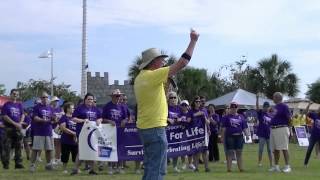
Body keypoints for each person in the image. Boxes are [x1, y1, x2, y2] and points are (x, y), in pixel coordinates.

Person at [134, 29, 199, 180]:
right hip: (155, 129)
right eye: (161, 59)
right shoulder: (153, 75)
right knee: (158, 171)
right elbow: (182, 63)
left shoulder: (140, 78)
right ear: (153, 62)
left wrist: (164, 88)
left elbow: (156, 99)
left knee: (150, 168)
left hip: (145, 127)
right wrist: (193, 41)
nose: (163, 62)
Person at [71, 93, 102, 175]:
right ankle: (75, 169)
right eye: (88, 99)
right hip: (82, 133)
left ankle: (92, 170)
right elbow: (73, 118)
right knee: (81, 151)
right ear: (85, 100)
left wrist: (99, 120)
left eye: (91, 99)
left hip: (93, 134)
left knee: (92, 150)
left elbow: (100, 117)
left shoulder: (95, 109)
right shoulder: (79, 108)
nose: (90, 101)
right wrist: (82, 120)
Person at [102, 89, 128, 174]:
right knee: (110, 148)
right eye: (117, 96)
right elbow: (102, 118)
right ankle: (110, 167)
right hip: (110, 131)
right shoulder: (107, 106)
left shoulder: (122, 106)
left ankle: (119, 167)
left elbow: (126, 117)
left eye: (119, 95)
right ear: (112, 97)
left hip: (120, 130)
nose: (119, 97)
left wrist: (125, 121)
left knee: (119, 149)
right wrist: (109, 121)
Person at [30, 92, 55, 172]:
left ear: (48, 98)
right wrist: (43, 120)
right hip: (39, 131)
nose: (45, 99)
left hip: (48, 131)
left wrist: (54, 119)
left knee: (49, 149)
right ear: (40, 98)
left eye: (46, 97)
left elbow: (52, 118)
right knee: (36, 149)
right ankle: (32, 165)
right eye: (43, 97)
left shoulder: (50, 108)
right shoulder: (37, 107)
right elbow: (35, 118)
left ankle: (48, 165)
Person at [221, 102, 250, 172]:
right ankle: (229, 169)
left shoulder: (241, 117)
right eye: (232, 108)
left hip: (239, 136)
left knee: (239, 152)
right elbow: (223, 128)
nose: (234, 109)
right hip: (230, 136)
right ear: (230, 108)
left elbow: (244, 127)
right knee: (230, 152)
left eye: (235, 108)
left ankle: (241, 168)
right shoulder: (226, 117)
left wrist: (247, 135)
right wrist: (222, 137)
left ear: (237, 108)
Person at [269, 92, 292, 173]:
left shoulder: (284, 106)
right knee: (275, 149)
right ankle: (276, 166)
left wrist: (290, 129)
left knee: (284, 148)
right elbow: (272, 117)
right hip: (273, 129)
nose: (273, 99)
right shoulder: (275, 107)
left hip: (282, 128)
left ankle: (287, 166)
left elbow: (289, 119)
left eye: (274, 97)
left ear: (278, 98)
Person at [1, 89, 24, 169]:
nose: (15, 95)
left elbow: (22, 114)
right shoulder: (6, 105)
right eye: (14, 94)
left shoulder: (19, 105)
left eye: (16, 94)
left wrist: (20, 123)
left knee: (18, 147)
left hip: (17, 129)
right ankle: (6, 164)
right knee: (6, 147)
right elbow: (4, 116)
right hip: (8, 128)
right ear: (10, 94)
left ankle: (18, 164)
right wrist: (15, 124)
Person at [190, 96, 210, 172]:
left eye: (199, 101)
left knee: (205, 151)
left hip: (203, 133)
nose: (199, 103)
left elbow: (208, 122)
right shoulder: (191, 111)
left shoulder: (204, 110)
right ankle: (196, 168)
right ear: (194, 103)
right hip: (195, 133)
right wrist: (197, 114)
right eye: (197, 101)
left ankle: (207, 167)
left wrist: (208, 128)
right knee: (196, 151)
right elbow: (189, 119)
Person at [59, 102, 78, 174]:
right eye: (72, 108)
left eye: (73, 108)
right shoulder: (63, 117)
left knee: (75, 155)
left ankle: (75, 168)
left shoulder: (74, 117)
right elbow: (63, 128)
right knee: (65, 155)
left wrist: (76, 134)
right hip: (66, 140)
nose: (73, 109)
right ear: (67, 109)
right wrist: (73, 133)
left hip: (74, 140)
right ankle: (64, 169)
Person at [256, 95, 273, 168]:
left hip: (269, 134)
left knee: (270, 150)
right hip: (262, 134)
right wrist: (257, 99)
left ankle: (271, 163)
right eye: (265, 107)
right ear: (263, 107)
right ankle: (259, 162)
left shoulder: (271, 115)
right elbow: (257, 107)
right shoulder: (261, 113)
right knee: (261, 149)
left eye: (267, 107)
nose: (266, 108)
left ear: (269, 107)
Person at [303, 102, 320, 167]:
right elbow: (305, 113)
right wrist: (308, 105)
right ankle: (305, 163)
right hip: (313, 136)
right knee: (309, 149)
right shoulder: (314, 115)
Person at [51, 96, 64, 165]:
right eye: (55, 101)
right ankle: (53, 159)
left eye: (57, 101)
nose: (56, 102)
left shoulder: (60, 109)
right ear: (52, 102)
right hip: (52, 129)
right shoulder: (50, 109)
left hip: (59, 129)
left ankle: (58, 159)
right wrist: (55, 119)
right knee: (53, 145)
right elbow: (53, 119)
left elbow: (61, 119)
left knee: (59, 144)